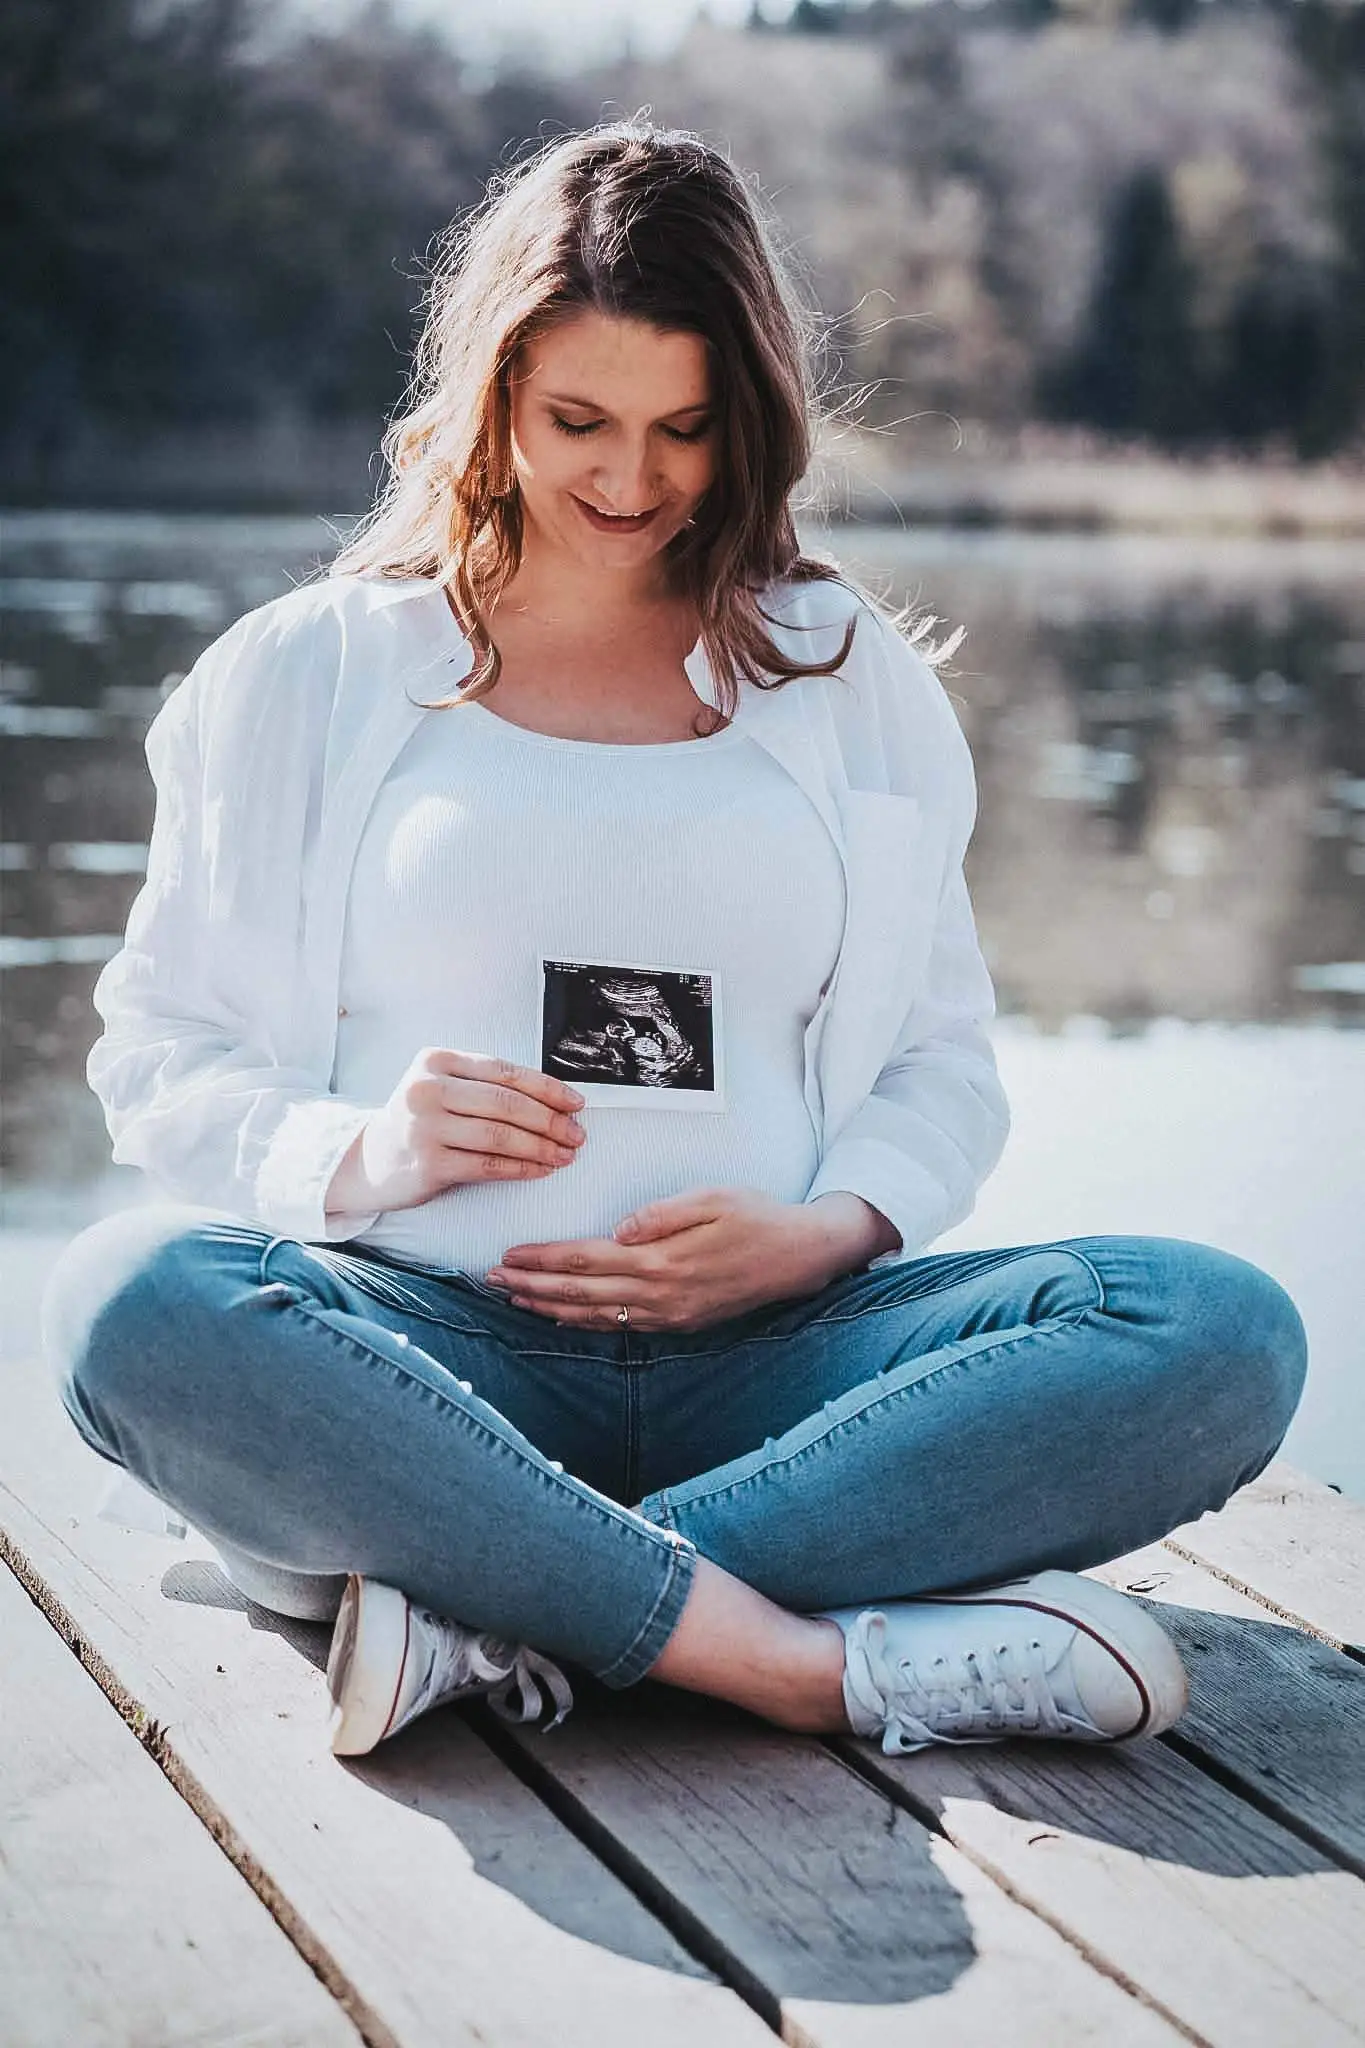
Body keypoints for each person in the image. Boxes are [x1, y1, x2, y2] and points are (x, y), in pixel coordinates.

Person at [43, 121, 1307, 1762]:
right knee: (131, 1299)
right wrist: (358, 1151)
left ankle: (488, 1616)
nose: (631, 483)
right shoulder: (307, 674)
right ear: (491, 392)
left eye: (685, 431)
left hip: (787, 1376)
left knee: (1213, 1334)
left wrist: (834, 1228)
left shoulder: (846, 676)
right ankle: (797, 1663)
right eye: (577, 421)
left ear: (751, 422)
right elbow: (156, 1050)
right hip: (432, 1357)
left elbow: (938, 1061)